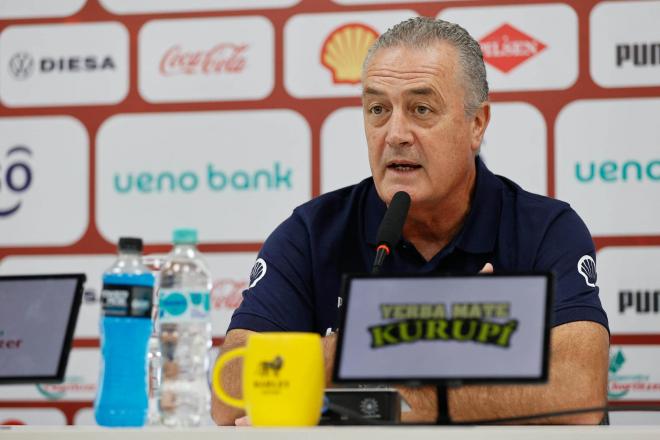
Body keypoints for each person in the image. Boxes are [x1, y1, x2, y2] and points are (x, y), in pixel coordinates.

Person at [212, 17, 609, 425]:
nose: (395, 133)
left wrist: (375, 387)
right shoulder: (312, 232)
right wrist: (389, 340)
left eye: (421, 109)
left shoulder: (546, 229)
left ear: (477, 124)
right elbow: (230, 389)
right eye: (378, 109)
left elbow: (579, 394)